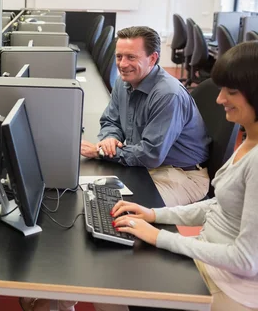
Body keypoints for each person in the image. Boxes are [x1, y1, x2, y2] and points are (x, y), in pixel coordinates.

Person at [111, 41, 258, 311]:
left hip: (229, 288)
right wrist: (154, 215)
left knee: (116, 282)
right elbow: (220, 204)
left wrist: (160, 237)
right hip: (209, 261)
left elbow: (246, 260)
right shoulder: (249, 141)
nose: (220, 99)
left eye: (231, 92)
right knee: (113, 275)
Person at [81, 26, 211, 207]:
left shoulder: (167, 95)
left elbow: (151, 154)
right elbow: (111, 120)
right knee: (92, 195)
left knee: (122, 209)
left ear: (153, 58)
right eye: (119, 56)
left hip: (181, 175)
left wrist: (101, 151)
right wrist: (110, 138)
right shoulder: (123, 82)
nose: (123, 64)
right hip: (149, 167)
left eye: (131, 57)